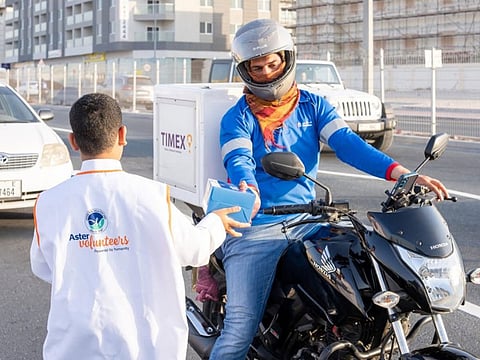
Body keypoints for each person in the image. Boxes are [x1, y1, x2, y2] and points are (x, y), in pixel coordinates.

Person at [209, 19, 449, 360]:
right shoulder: (238, 117)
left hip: (311, 220)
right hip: (258, 226)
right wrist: (246, 185)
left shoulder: (313, 105)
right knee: (239, 329)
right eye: (257, 67)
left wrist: (401, 175)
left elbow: (349, 145)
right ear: (246, 71)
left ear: (287, 60)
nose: (266, 72)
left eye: (273, 63)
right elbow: (238, 158)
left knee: (366, 274)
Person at [30, 93, 250, 360]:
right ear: (122, 134)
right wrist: (216, 221)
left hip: (74, 346)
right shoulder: (153, 196)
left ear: (73, 141)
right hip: (147, 344)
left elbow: (43, 267)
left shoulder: (48, 202)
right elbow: (195, 249)